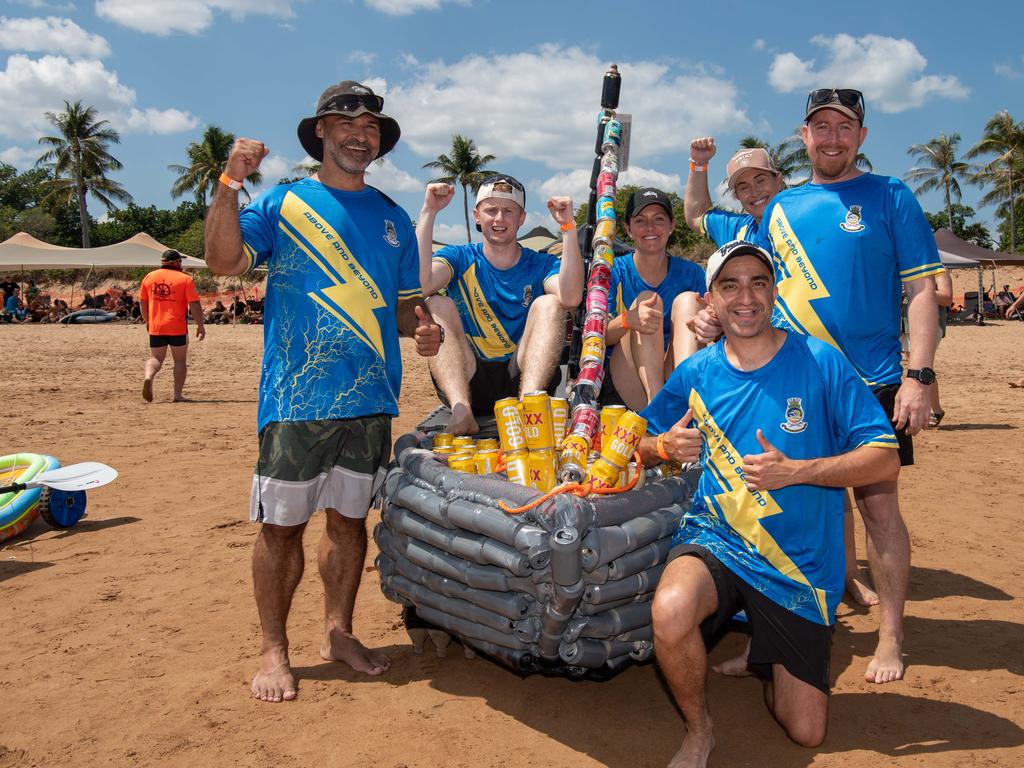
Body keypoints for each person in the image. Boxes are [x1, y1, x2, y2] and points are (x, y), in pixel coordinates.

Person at [692, 88, 942, 684]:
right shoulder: (778, 209)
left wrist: (920, 374)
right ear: (803, 137)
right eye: (819, 126)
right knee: (788, 510)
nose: (831, 137)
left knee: (879, 510)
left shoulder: (890, 195)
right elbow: (749, 286)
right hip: (796, 384)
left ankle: (891, 636)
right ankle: (780, 641)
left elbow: (923, 291)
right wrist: (711, 317)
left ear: (860, 136)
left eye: (844, 127)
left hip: (876, 383)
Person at [204, 79, 442, 704]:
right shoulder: (282, 204)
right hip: (296, 401)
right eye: (346, 124)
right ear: (321, 133)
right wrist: (230, 183)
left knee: (348, 524)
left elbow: (403, 307)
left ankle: (338, 632)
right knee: (281, 530)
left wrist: (424, 330)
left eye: (370, 127)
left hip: (370, 400)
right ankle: (274, 650)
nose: (359, 134)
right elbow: (225, 262)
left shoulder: (392, 216)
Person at [639, 241, 900, 766]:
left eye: (758, 282)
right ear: (711, 300)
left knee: (805, 731)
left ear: (774, 290)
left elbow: (884, 458)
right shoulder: (697, 372)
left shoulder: (821, 361)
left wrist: (796, 472)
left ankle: (765, 656)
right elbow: (639, 439)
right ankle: (698, 730)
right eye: (730, 285)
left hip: (798, 565)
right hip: (720, 540)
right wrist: (662, 447)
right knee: (670, 610)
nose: (746, 297)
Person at [417, 174, 582, 435]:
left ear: (522, 219)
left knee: (550, 303)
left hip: (522, 376)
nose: (499, 219)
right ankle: (463, 413)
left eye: (508, 211)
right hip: (468, 379)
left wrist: (569, 227)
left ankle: (529, 408)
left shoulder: (539, 263)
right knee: (437, 302)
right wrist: (429, 211)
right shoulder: (459, 257)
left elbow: (571, 297)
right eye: (491, 210)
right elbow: (421, 283)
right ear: (476, 215)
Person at [602, 188, 705, 410]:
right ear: (628, 229)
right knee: (648, 300)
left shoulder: (692, 273)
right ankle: (659, 407)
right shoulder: (612, 272)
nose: (650, 228)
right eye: (641, 220)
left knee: (688, 301)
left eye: (659, 219)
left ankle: (682, 402)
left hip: (674, 373)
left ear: (672, 225)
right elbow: (597, 338)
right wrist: (628, 320)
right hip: (628, 374)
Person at [683, 141, 785, 244]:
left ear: (779, 180)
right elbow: (696, 216)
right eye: (744, 187)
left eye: (760, 181)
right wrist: (699, 163)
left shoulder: (801, 216)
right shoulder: (735, 229)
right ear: (737, 196)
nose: (754, 191)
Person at [139, 250, 206, 401]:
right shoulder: (185, 279)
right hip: (177, 326)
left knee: (156, 358)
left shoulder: (149, 277)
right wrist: (200, 325)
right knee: (180, 361)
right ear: (176, 262)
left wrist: (147, 321)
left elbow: (142, 302)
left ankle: (149, 376)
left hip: (156, 326)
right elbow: (194, 304)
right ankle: (177, 395)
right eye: (180, 261)